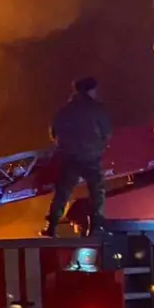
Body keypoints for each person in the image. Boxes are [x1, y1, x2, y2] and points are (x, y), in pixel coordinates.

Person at [43, 76, 113, 237]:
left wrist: (66, 147)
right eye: (95, 90)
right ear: (89, 90)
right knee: (97, 192)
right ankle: (96, 227)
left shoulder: (65, 110)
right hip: (92, 158)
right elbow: (107, 132)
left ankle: (52, 226)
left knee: (63, 192)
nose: (97, 93)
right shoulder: (98, 109)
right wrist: (98, 146)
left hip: (70, 158)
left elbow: (54, 133)